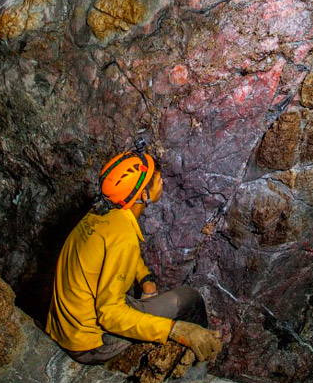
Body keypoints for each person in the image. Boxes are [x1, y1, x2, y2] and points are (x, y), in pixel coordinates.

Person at [46, 147, 223, 365]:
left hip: (66, 322)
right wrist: (174, 329)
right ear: (143, 195)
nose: (161, 182)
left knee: (147, 296)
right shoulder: (123, 235)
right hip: (90, 342)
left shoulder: (103, 211)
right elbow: (109, 314)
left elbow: (113, 254)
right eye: (156, 180)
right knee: (189, 299)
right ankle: (201, 360)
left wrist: (146, 280)